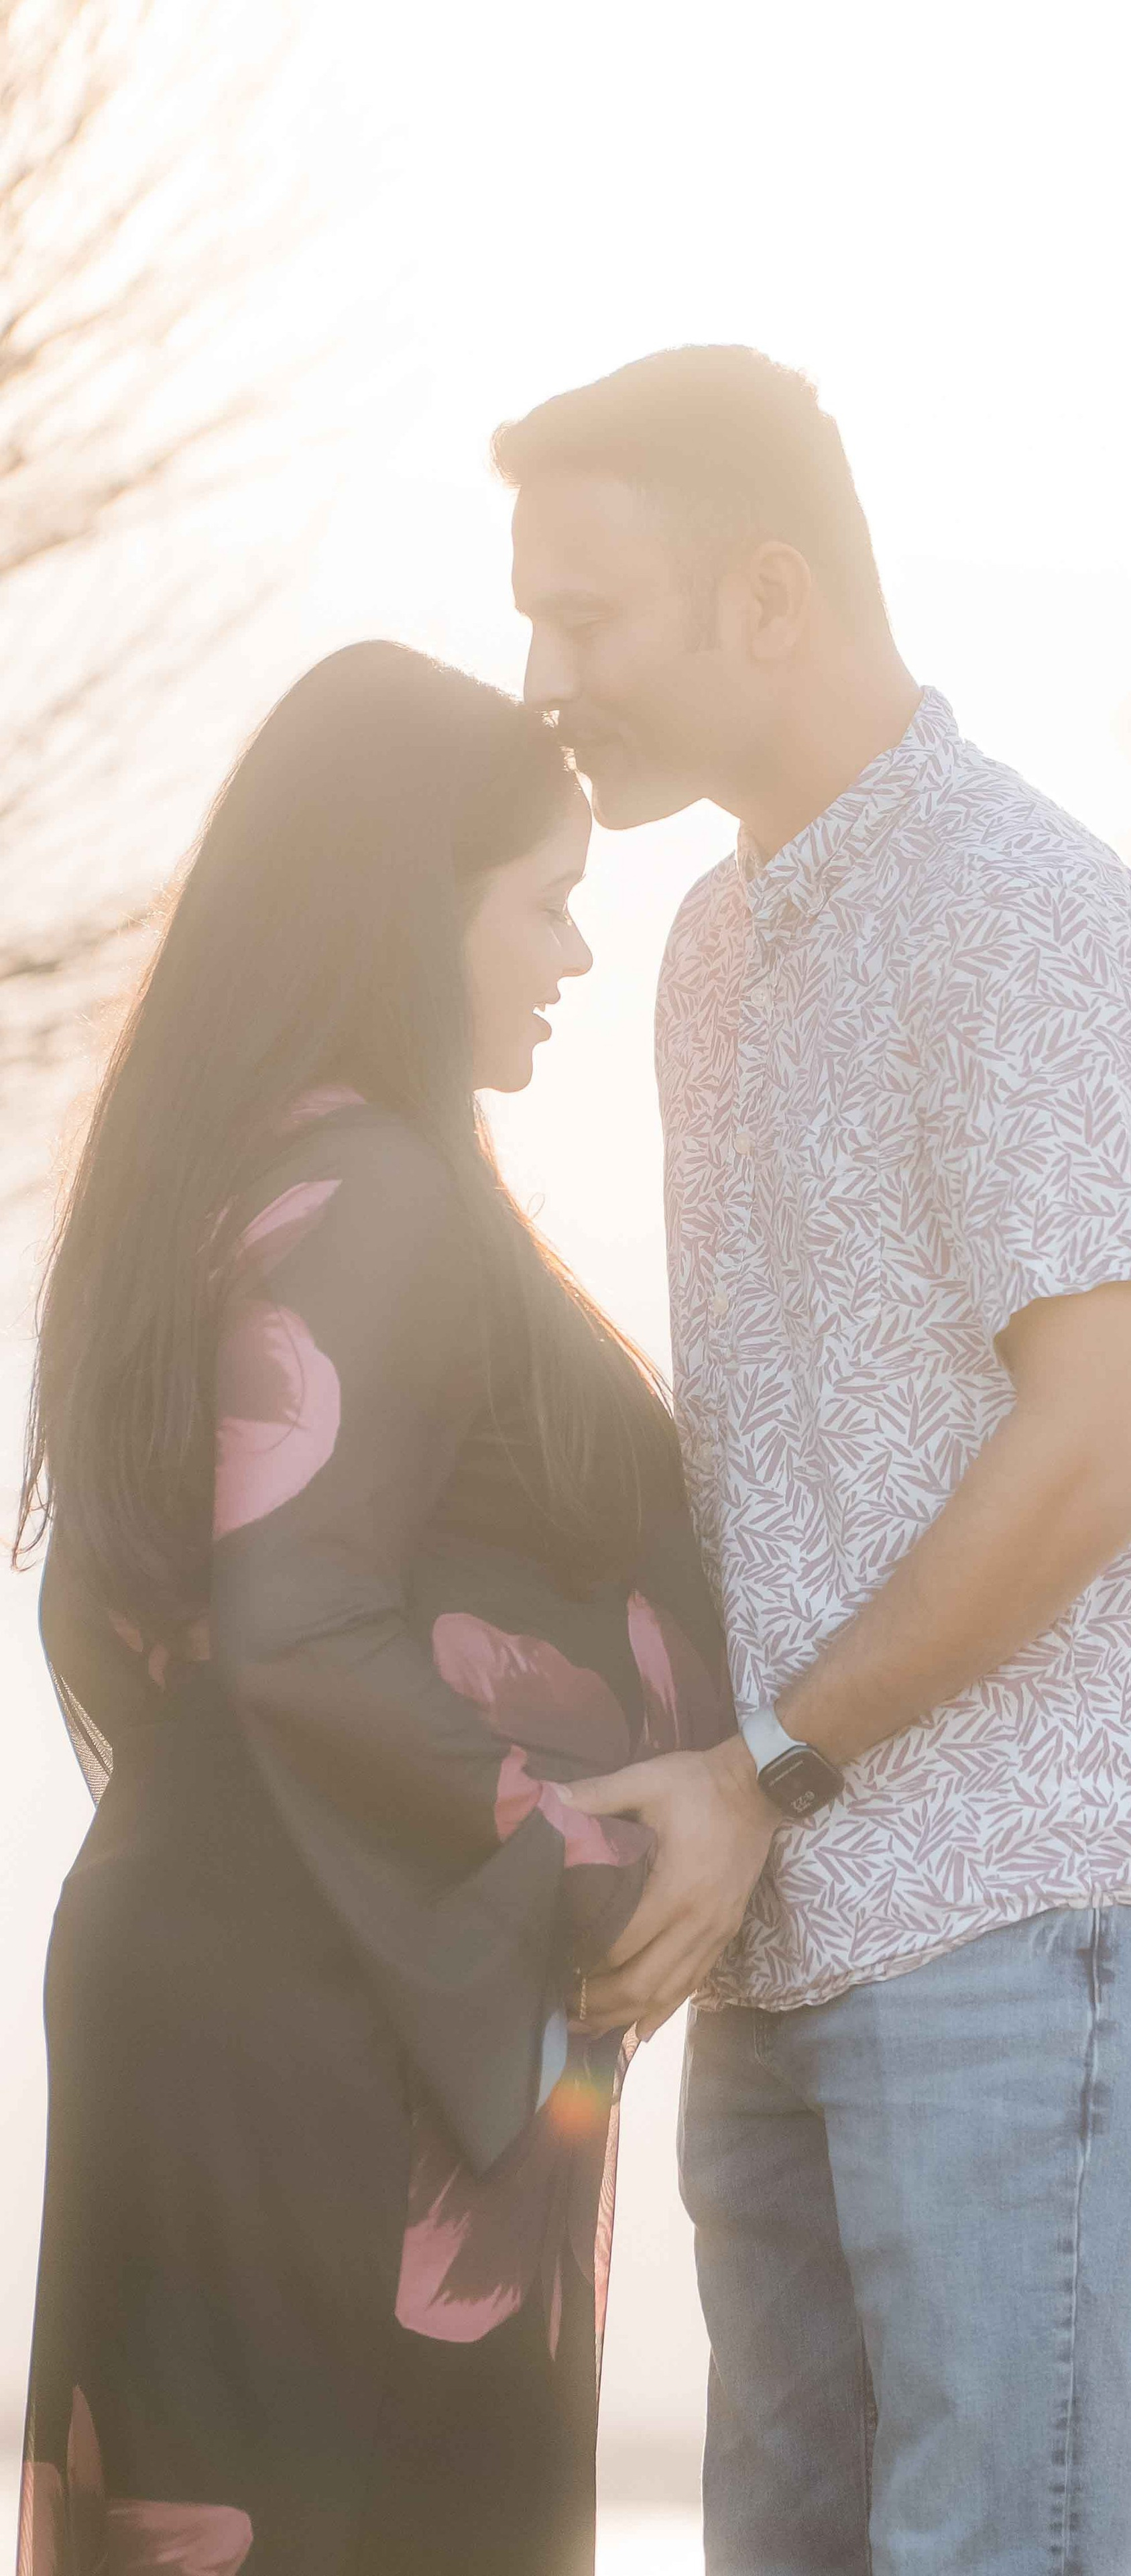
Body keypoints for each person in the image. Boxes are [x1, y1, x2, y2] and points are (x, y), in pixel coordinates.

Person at [497, 346, 1131, 2576]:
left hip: (1033, 1909)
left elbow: (1104, 1448)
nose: (545, 677)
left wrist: (767, 1761)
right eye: (531, 618)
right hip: (799, 1915)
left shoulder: (1020, 915)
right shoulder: (708, 951)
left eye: (589, 617)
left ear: (769, 599)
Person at [14, 642, 731, 2576]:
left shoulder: (241, 1183)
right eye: (545, 898)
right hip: (339, 2037)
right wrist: (606, 1849)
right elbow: (296, 1624)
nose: (575, 950)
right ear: (418, 907)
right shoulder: (376, 1191)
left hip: (262, 1982)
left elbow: (149, 1637)